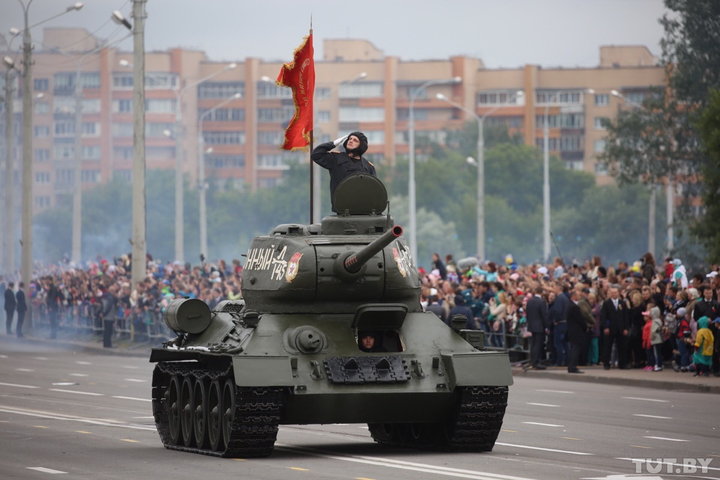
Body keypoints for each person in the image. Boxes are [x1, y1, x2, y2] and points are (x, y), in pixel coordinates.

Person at [311, 131, 376, 211]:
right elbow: (316, 154)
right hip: (342, 209)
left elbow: (373, 189)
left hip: (362, 209)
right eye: (350, 139)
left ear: (361, 145)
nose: (351, 141)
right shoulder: (336, 159)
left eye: (355, 140)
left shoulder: (368, 167)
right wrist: (333, 143)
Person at [600, 285, 629, 369]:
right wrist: (605, 327)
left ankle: (622, 364)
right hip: (610, 328)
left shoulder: (622, 303)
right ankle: (606, 364)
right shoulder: (606, 303)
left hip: (620, 328)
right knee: (607, 346)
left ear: (618, 293)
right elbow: (603, 316)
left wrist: (626, 328)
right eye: (612, 293)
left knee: (622, 347)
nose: (614, 294)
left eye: (615, 292)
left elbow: (626, 316)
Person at [526, 287, 549, 369]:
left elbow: (527, 313)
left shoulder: (530, 301)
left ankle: (532, 361)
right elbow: (544, 315)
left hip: (532, 326)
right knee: (538, 345)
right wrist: (547, 326)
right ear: (542, 293)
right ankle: (536, 362)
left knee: (533, 344)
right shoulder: (542, 302)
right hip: (539, 326)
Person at [566, 289, 587, 373]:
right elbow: (580, 320)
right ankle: (572, 366)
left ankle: (571, 366)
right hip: (576, 331)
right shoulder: (574, 307)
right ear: (573, 296)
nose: (579, 296)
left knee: (574, 348)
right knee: (575, 349)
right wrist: (585, 326)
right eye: (578, 295)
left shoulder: (570, 305)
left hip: (572, 331)